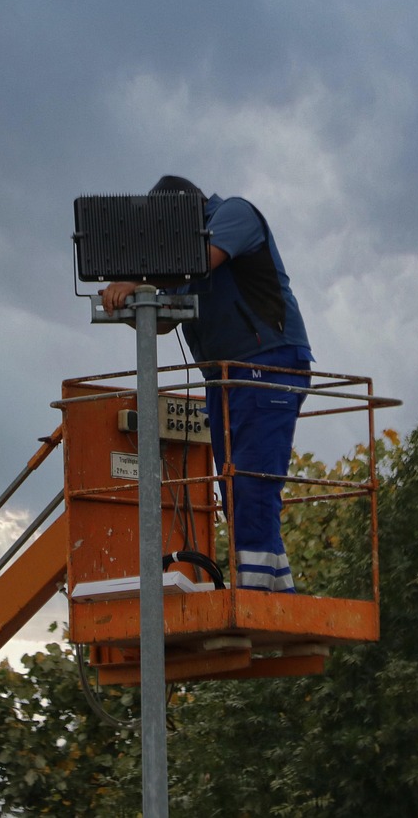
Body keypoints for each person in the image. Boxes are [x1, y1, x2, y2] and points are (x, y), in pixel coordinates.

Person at [101, 176, 312, 593]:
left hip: (266, 366)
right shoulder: (181, 257)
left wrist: (139, 278)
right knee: (235, 486)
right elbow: (162, 323)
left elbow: (201, 260)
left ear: (182, 213)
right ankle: (277, 591)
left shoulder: (234, 215)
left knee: (252, 483)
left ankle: (252, 596)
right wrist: (132, 300)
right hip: (225, 375)